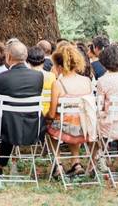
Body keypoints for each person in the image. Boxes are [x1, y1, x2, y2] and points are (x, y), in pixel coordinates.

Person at [0, 40, 45, 171]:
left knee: (1, 115)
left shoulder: (1, 78)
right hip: (32, 126)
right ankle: (1, 163)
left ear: (8, 57)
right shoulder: (38, 76)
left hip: (6, 129)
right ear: (25, 56)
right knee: (9, 116)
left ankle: (0, 162)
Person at [46, 42, 96, 177]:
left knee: (49, 126)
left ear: (59, 66)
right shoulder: (87, 81)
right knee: (74, 121)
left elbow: (51, 113)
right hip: (85, 127)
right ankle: (76, 162)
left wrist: (45, 117)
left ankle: (58, 164)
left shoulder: (58, 84)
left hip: (65, 128)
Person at [26, 45, 55, 116]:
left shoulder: (26, 78)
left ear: (27, 61)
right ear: (43, 61)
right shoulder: (52, 76)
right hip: (46, 112)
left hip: (30, 112)